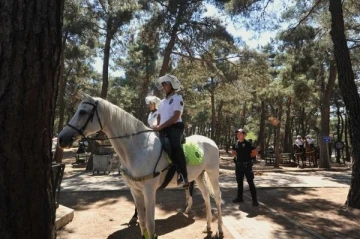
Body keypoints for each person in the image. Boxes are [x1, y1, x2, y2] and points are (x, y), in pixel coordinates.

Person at [153, 74, 188, 187]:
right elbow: (158, 117)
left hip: (175, 128)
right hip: (163, 128)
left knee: (175, 146)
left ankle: (183, 175)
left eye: (165, 84)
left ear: (172, 85)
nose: (163, 86)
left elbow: (175, 117)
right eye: (162, 84)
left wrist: (160, 127)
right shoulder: (162, 102)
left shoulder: (178, 99)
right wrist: (155, 125)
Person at [232, 129, 259, 206]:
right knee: (239, 182)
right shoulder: (236, 143)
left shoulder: (248, 143)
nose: (238, 135)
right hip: (239, 165)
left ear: (244, 135)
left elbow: (255, 151)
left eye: (240, 133)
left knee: (250, 182)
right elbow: (233, 152)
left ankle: (254, 200)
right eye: (237, 134)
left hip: (247, 166)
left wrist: (249, 157)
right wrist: (237, 156)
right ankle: (240, 198)